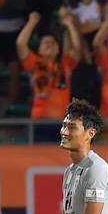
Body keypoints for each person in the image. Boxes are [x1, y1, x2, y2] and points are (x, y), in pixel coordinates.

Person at [18, 11, 83, 141]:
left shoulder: (65, 64)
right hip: (38, 122)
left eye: (53, 42)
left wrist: (70, 25)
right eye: (45, 42)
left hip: (61, 123)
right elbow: (20, 44)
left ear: (59, 49)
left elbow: (77, 49)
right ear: (39, 50)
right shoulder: (34, 64)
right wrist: (31, 22)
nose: (50, 44)